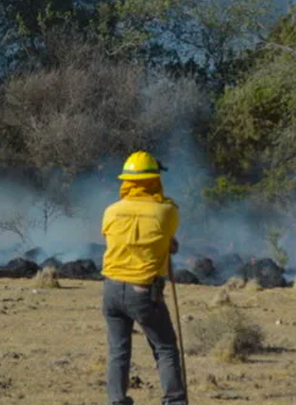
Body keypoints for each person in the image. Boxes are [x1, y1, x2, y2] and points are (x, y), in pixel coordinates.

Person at [101, 151, 187, 405]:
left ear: (126, 181)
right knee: (165, 348)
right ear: (154, 180)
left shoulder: (111, 211)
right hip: (143, 291)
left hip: (111, 290)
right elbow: (167, 236)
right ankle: (174, 401)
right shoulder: (166, 212)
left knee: (118, 352)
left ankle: (116, 401)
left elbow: (117, 241)